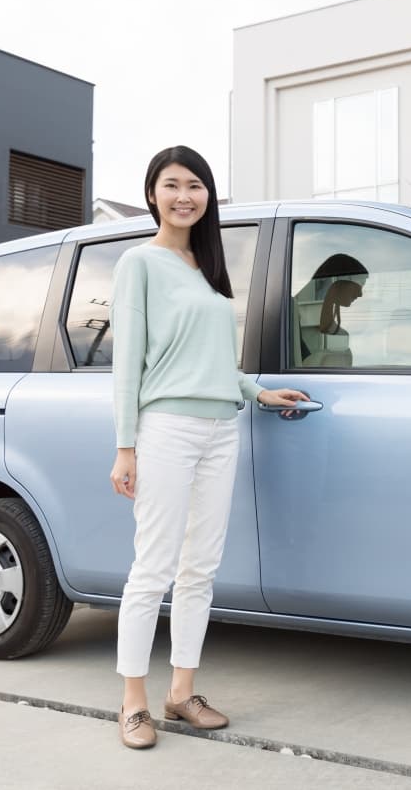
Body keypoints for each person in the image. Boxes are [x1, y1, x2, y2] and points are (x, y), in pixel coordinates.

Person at [108, 145, 307, 749]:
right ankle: (133, 702)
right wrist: (125, 448)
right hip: (166, 428)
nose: (184, 196)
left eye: (195, 185)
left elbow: (212, 364)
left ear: (208, 196)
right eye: (171, 185)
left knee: (200, 569)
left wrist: (257, 391)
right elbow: (129, 365)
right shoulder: (138, 264)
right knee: (153, 569)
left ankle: (181, 692)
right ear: (152, 195)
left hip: (222, 427)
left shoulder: (210, 269)